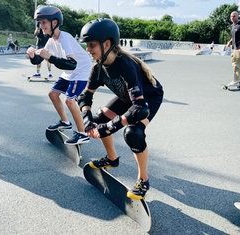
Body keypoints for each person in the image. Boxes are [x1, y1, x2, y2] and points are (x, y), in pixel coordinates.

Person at [78, 19, 164, 200]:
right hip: (127, 98)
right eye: (87, 45)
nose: (88, 50)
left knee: (134, 133)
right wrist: (87, 120)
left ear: (107, 44)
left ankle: (143, 180)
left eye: (92, 45)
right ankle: (112, 159)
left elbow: (138, 109)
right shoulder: (98, 68)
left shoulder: (126, 65)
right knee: (98, 119)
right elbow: (85, 96)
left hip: (148, 98)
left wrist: (109, 127)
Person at [26, 6, 92, 145]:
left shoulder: (65, 38)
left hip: (80, 71)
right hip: (69, 72)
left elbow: (72, 64)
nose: (41, 26)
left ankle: (82, 134)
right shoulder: (51, 41)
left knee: (70, 100)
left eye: (43, 22)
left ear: (54, 23)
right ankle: (65, 122)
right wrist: (32, 56)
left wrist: (50, 57)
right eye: (40, 23)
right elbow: (39, 60)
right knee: (53, 94)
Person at [226, 11, 240, 88]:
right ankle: (239, 83)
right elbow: (234, 36)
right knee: (236, 64)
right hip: (234, 48)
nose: (232, 18)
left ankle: (235, 81)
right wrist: (230, 42)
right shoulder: (232, 26)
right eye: (231, 16)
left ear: (238, 17)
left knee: (236, 65)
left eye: (234, 16)